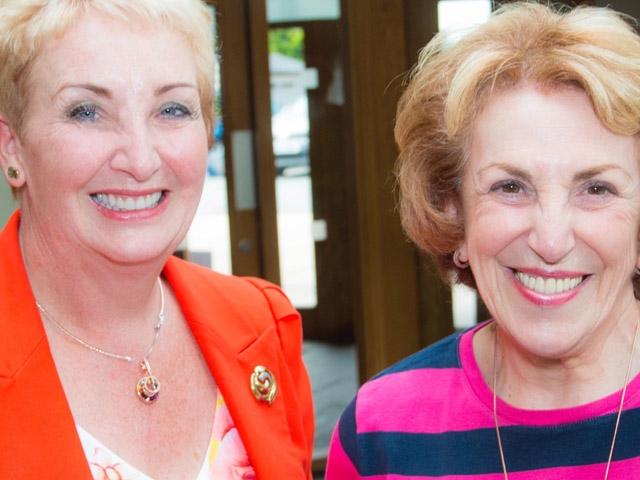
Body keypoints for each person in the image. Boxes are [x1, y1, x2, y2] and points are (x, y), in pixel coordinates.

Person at [326, 2, 640, 478]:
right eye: (510, 187)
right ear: (453, 213)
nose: (551, 241)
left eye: (596, 189)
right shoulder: (380, 432)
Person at [0, 0, 314, 478]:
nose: (141, 159)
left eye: (172, 109)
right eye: (87, 111)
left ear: (207, 128)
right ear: (11, 145)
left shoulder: (262, 325)